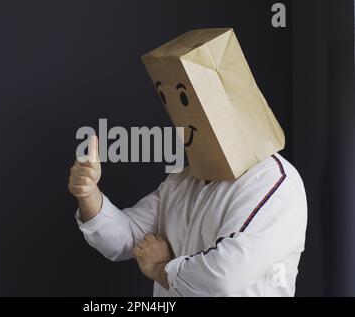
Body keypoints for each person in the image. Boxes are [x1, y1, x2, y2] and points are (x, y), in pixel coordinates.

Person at [69, 28, 307, 297]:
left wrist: (160, 267)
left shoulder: (274, 184)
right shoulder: (182, 180)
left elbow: (224, 275)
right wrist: (88, 193)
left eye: (186, 99)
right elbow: (125, 239)